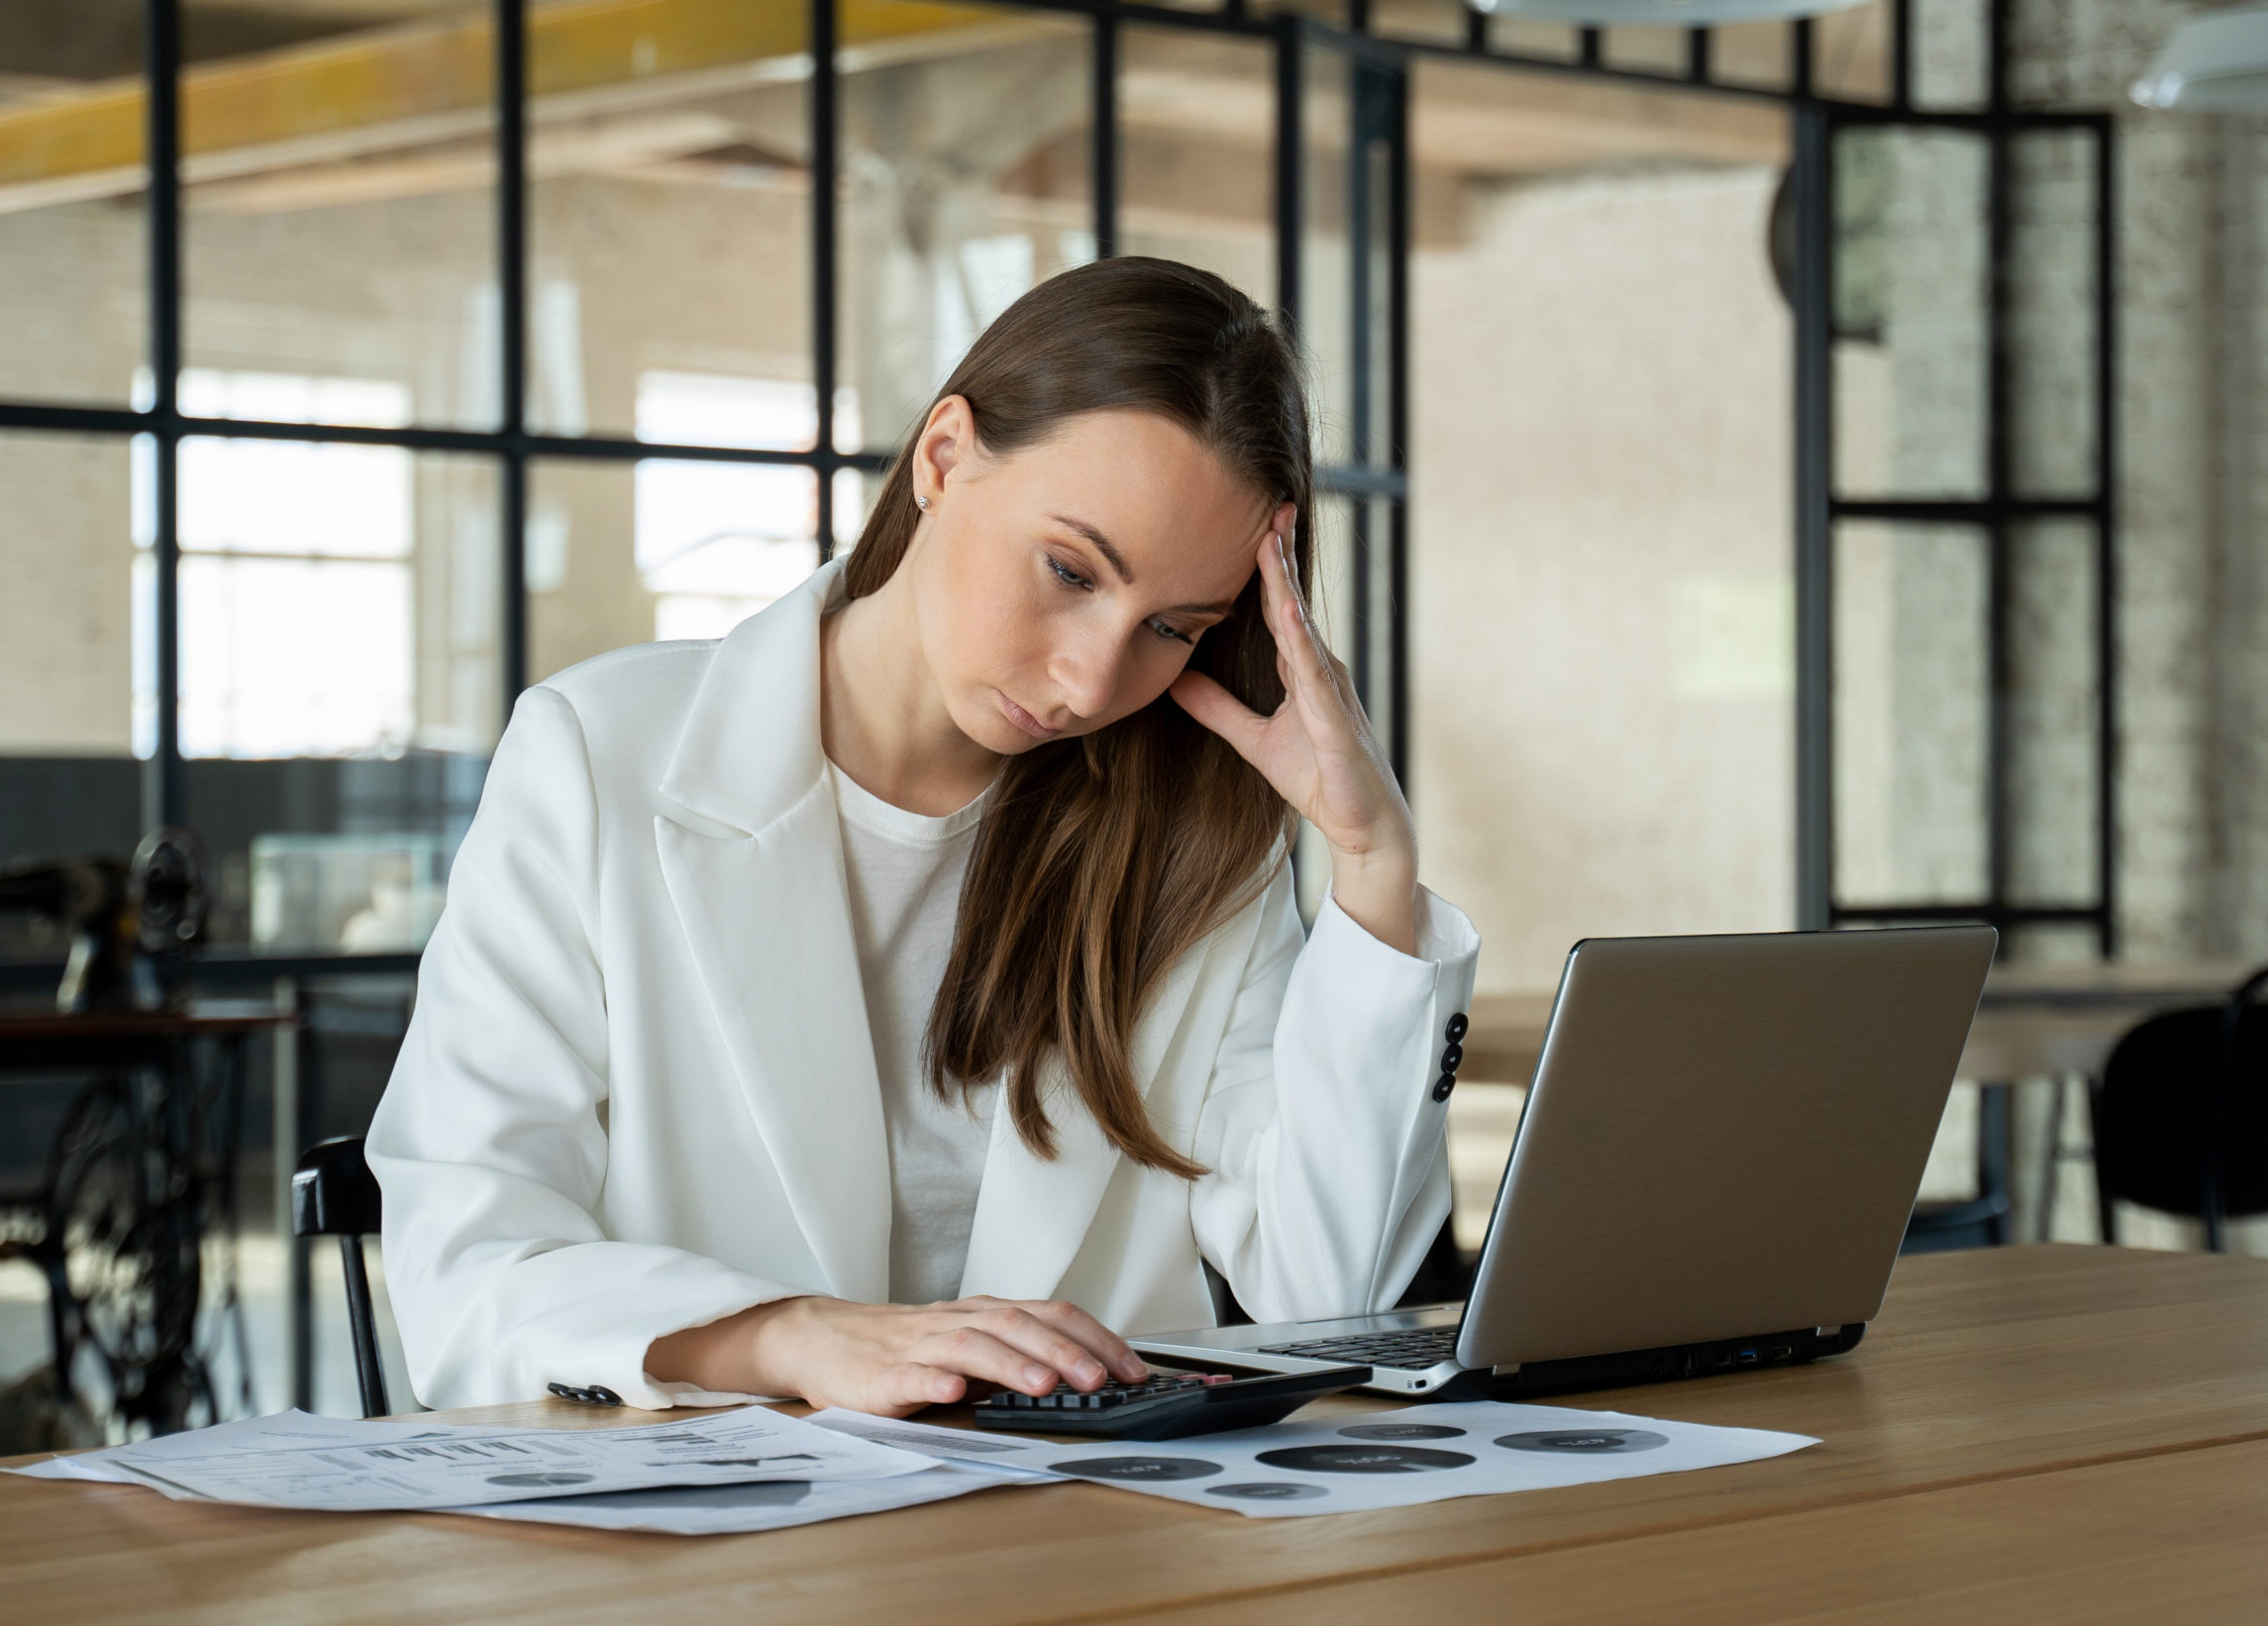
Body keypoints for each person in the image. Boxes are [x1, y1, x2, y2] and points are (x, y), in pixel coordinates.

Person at [367, 257, 1479, 1418]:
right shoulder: (597, 760)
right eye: (1068, 570)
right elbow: (469, 1260)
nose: (1093, 676)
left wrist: (1373, 870)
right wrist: (792, 1339)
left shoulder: (1193, 841)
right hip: (718, 1541)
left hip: (1094, 1533)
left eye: (1171, 627)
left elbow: (1330, 1283)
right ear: (943, 456)